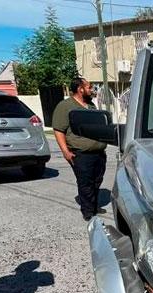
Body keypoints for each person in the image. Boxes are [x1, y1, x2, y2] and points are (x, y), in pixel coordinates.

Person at [52, 77, 108, 221]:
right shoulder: (65, 106)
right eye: (89, 87)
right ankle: (88, 212)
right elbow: (58, 130)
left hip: (99, 153)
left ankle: (94, 206)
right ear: (80, 89)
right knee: (85, 182)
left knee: (97, 181)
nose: (91, 90)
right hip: (81, 154)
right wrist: (65, 152)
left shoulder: (91, 106)